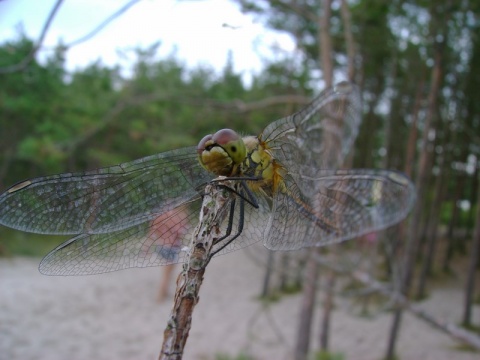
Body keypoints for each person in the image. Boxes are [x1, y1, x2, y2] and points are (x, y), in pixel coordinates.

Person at [147, 207, 189, 302]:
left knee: (167, 273)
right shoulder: (178, 217)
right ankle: (160, 296)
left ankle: (164, 293)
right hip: (171, 247)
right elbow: (180, 231)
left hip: (161, 245)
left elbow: (153, 228)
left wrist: (148, 246)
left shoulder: (161, 216)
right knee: (166, 274)